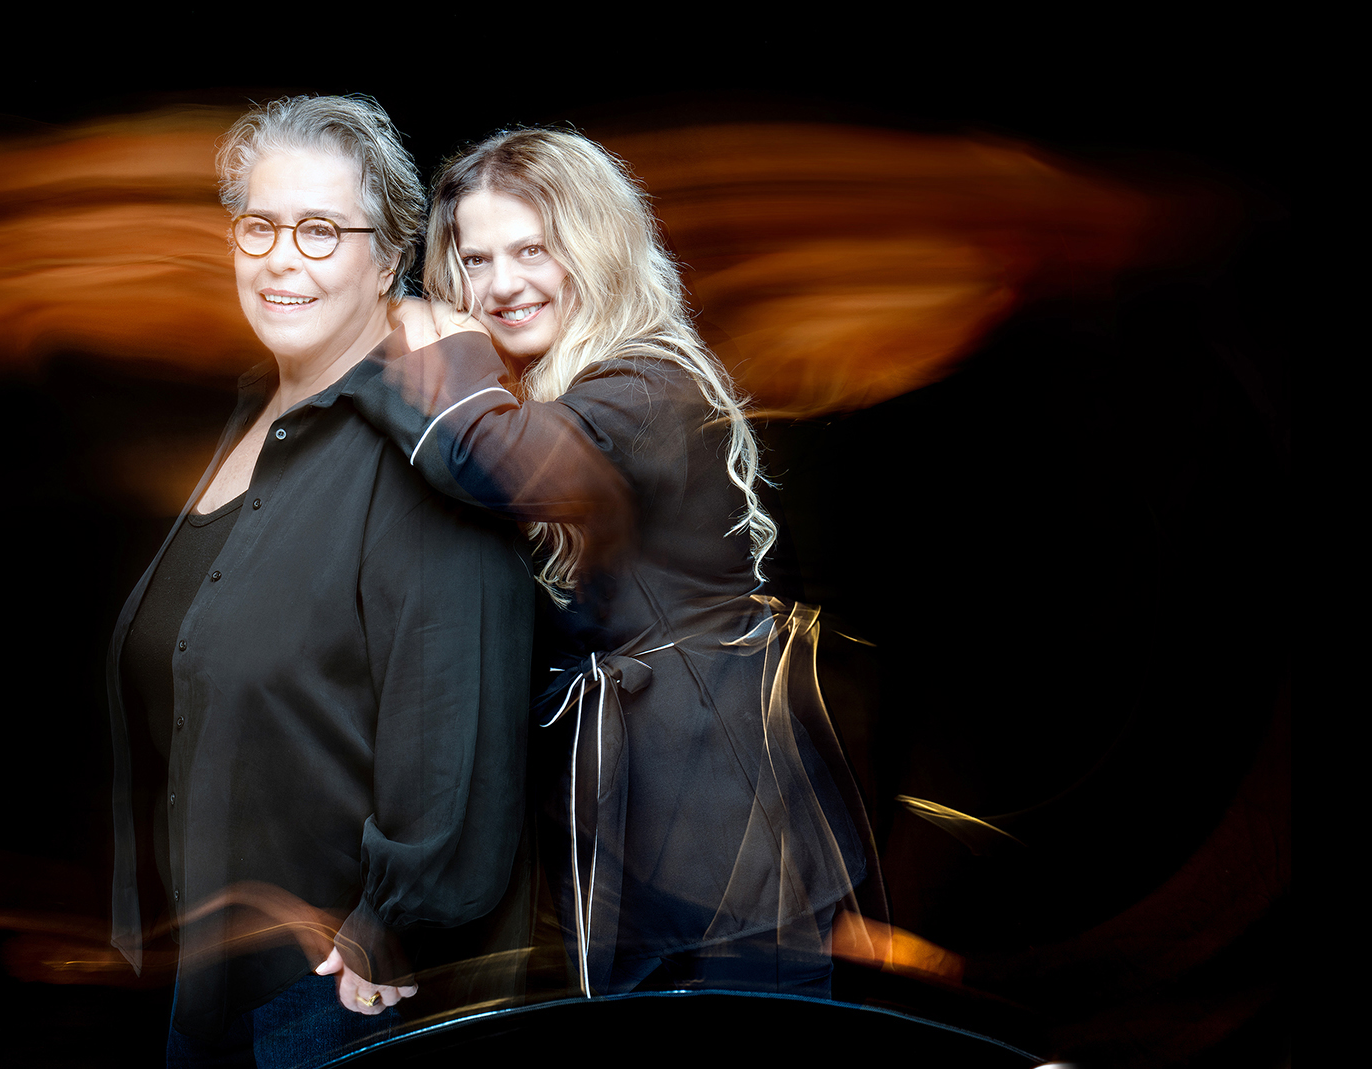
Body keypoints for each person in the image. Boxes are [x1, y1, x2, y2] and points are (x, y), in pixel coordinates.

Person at [360, 128, 880, 997]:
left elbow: (492, 459)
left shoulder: (650, 385)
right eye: (476, 260)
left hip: (721, 833)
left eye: (533, 250)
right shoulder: (554, 388)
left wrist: (418, 335)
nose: (502, 285)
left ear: (595, 250)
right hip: (637, 823)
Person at [104, 97, 537, 1068]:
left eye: (319, 230)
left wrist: (388, 929)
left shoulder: (429, 443)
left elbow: (458, 744)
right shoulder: (250, 410)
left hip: (332, 1001)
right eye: (258, 225)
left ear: (388, 259)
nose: (279, 258)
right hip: (202, 980)